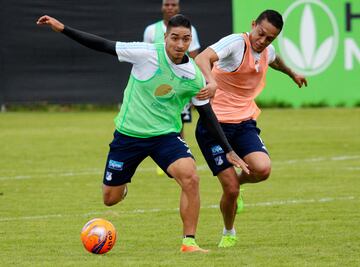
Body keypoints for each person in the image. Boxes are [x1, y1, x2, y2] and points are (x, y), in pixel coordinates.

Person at [36, 14, 249, 253]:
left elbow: (207, 114)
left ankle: (189, 242)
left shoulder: (193, 76)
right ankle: (122, 186)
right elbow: (103, 45)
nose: (180, 44)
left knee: (191, 177)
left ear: (191, 41)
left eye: (186, 39)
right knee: (110, 199)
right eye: (175, 38)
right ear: (165, 36)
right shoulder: (145, 53)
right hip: (128, 136)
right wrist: (63, 28)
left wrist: (228, 150)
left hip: (165, 137)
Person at [194, 10, 308, 248]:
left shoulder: (267, 50)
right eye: (260, 33)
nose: (262, 41)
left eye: (269, 38)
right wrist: (211, 81)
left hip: (244, 122)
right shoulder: (236, 44)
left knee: (263, 169)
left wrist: (292, 74)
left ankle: (237, 186)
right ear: (253, 24)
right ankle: (229, 231)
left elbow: (274, 60)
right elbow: (202, 58)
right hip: (214, 126)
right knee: (231, 189)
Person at [144, 0, 201, 139]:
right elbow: (146, 59)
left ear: (178, 7)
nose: (170, 7)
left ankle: (179, 154)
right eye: (167, 4)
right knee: (154, 121)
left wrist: (195, 91)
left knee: (178, 123)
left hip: (180, 87)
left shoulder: (190, 30)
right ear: (162, 6)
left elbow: (195, 60)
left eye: (173, 4)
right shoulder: (151, 30)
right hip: (157, 86)